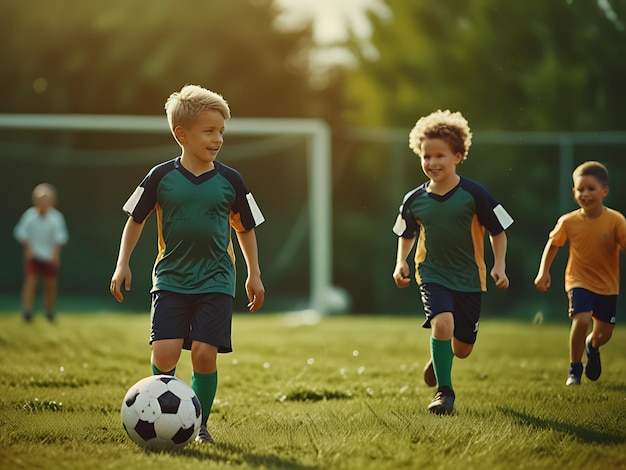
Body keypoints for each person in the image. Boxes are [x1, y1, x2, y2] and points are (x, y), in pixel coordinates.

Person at [109, 84, 265, 444]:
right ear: (182, 134)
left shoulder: (231, 180)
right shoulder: (160, 176)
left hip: (217, 279)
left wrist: (254, 273)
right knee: (164, 352)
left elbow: (246, 228)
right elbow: (135, 219)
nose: (218, 139)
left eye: (221, 131)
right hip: (170, 278)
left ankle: (198, 425)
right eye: (209, 131)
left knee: (204, 354)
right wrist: (123, 264)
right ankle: (162, 413)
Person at [392, 110, 513, 415]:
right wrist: (401, 262)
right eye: (426, 156)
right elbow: (406, 233)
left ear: (458, 156)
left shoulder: (476, 193)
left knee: (463, 349)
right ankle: (444, 392)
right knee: (442, 322)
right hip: (432, 272)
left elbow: (499, 232)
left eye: (439, 156)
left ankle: (439, 355)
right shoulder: (413, 199)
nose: (431, 162)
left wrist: (499, 266)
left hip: (470, 277)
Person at [534, 161, 626, 386]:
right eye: (580, 189)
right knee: (582, 318)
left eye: (590, 189)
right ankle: (575, 368)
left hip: (608, 285)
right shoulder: (569, 221)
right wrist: (543, 271)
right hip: (578, 280)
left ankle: (592, 346)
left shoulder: (616, 221)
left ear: (604, 191)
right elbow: (553, 244)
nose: (584, 194)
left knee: (604, 333)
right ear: (573, 191)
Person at [14, 183, 69, 322]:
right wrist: (29, 251)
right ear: (35, 200)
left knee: (50, 285)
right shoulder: (29, 216)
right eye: (40, 199)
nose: (43, 202)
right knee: (30, 283)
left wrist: (55, 256)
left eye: (46, 199)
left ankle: (49, 312)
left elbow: (59, 238)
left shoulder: (57, 218)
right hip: (33, 257)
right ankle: (27, 312)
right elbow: (21, 234)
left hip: (50, 257)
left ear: (52, 201)